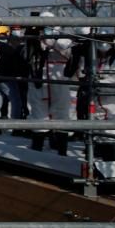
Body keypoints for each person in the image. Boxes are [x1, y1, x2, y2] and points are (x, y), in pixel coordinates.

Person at [25, 12, 74, 155]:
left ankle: (61, 150)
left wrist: (53, 39)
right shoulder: (34, 39)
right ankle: (36, 149)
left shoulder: (63, 37)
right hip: (38, 80)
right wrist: (37, 38)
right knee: (38, 114)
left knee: (61, 113)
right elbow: (27, 55)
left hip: (59, 80)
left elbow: (68, 51)